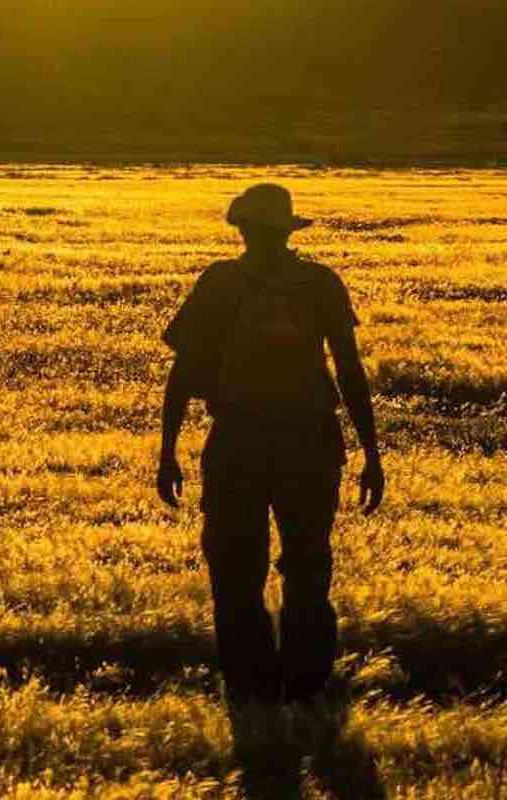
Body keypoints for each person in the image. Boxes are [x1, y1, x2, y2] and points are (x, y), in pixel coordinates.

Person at [157, 183, 385, 705]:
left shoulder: (220, 284)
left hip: (238, 441)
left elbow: (184, 371)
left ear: (242, 230)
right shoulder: (319, 283)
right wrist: (371, 454)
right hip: (310, 444)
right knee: (307, 566)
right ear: (286, 231)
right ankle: (306, 689)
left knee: (236, 571)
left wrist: (168, 450)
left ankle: (251, 692)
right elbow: (349, 371)